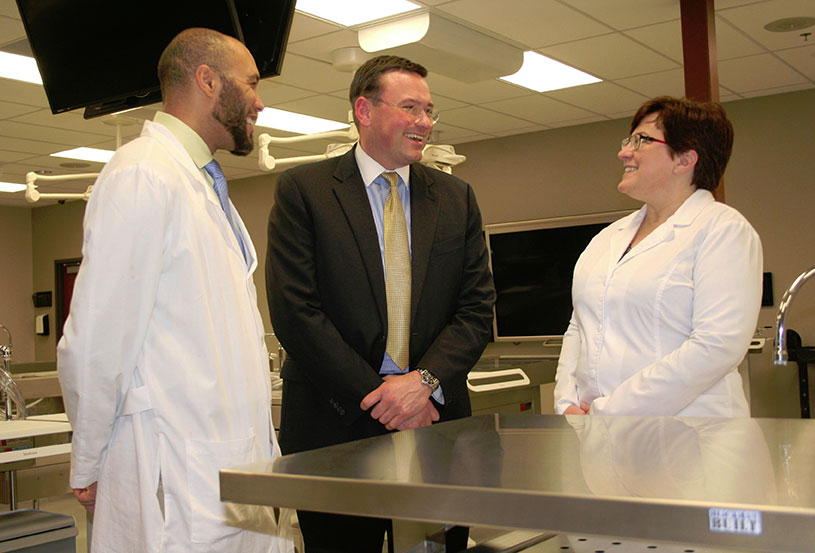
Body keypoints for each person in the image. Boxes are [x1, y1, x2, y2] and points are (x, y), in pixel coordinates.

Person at [57, 28, 289, 553]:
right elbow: (96, 340)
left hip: (228, 464)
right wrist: (89, 460)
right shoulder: (142, 174)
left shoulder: (200, 181)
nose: (259, 101)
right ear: (208, 81)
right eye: (250, 83)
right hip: (176, 474)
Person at [266, 55, 495, 552]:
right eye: (410, 107)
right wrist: (384, 396)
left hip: (437, 424)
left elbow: (477, 310)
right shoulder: (304, 192)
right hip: (335, 425)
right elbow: (295, 312)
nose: (425, 122)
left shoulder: (457, 198)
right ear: (364, 111)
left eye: (430, 111)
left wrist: (423, 384)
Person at [554, 96, 762, 418]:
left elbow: (716, 346)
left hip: (692, 437)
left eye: (642, 140)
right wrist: (566, 400)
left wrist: (613, 410)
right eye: (629, 139)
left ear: (684, 159)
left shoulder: (723, 231)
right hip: (598, 433)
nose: (624, 151)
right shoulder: (607, 238)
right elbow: (579, 325)